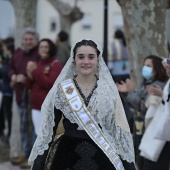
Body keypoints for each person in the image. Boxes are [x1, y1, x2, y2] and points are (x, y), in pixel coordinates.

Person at [28, 39, 136, 170]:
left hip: (103, 155)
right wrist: (39, 164)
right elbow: (48, 130)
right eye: (81, 57)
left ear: (98, 60)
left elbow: (119, 130)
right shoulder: (62, 90)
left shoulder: (109, 91)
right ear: (74, 60)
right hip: (67, 155)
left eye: (91, 57)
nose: (86, 61)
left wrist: (128, 165)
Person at [116, 55, 169, 170]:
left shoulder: (159, 85)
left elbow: (143, 106)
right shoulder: (145, 84)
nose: (145, 68)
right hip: (139, 132)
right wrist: (127, 93)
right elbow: (134, 106)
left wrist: (130, 92)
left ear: (157, 68)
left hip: (152, 135)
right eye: (144, 65)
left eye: (149, 66)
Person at [9, 28, 40, 168]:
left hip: (34, 94)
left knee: (33, 126)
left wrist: (26, 77)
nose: (28, 42)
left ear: (36, 41)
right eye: (26, 39)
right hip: (20, 94)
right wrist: (13, 76)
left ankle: (32, 157)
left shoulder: (40, 53)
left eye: (30, 39)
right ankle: (25, 152)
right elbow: (10, 67)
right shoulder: (17, 53)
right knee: (22, 125)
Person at [26, 38, 63, 140]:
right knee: (37, 135)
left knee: (47, 137)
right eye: (41, 47)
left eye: (46, 47)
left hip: (48, 107)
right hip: (36, 107)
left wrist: (35, 71)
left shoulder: (55, 64)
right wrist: (29, 75)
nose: (43, 49)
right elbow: (28, 85)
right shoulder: (37, 64)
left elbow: (50, 84)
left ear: (51, 49)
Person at [0, 37, 14, 143]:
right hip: (6, 91)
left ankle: (9, 135)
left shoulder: (10, 62)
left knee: (8, 114)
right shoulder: (8, 61)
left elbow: (4, 72)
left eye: (5, 50)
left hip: (8, 92)